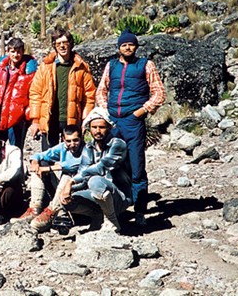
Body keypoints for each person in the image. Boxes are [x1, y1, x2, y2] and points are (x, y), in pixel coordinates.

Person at [96, 29, 166, 226]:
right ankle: (114, 208)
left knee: (137, 167)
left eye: (131, 44)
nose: (127, 47)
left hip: (133, 122)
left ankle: (140, 211)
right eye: (124, 45)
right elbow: (101, 90)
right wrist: (105, 112)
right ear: (119, 47)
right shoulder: (111, 66)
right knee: (110, 164)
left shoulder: (146, 65)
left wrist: (142, 111)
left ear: (136, 46)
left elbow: (159, 93)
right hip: (113, 122)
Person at [60, 107, 132, 233]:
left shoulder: (118, 145)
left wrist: (71, 182)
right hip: (96, 193)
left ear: (109, 127)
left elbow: (101, 167)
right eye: (94, 127)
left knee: (95, 181)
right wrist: (67, 192)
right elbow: (83, 172)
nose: (97, 131)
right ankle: (98, 217)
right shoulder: (88, 148)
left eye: (102, 127)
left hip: (119, 196)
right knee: (68, 200)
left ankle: (112, 220)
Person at [28, 28, 96, 150]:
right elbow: (35, 94)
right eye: (58, 43)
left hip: (72, 120)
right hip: (50, 120)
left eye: (65, 43)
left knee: (72, 160)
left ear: (71, 44)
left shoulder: (81, 68)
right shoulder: (46, 67)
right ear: (54, 45)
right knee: (47, 159)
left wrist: (86, 119)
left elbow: (89, 95)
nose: (62, 46)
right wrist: (35, 121)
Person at [19, 125, 85, 233]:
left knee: (67, 176)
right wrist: (35, 163)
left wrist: (47, 168)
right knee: (39, 165)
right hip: (63, 189)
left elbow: (71, 165)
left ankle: (53, 210)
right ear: (64, 140)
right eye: (69, 141)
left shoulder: (86, 150)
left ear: (81, 138)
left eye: (75, 140)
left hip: (77, 188)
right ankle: (35, 208)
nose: (72, 144)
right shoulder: (63, 147)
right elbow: (39, 155)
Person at [0, 37, 38, 152]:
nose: (16, 55)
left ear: (23, 51)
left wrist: (28, 115)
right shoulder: (0, 69)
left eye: (19, 51)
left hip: (17, 118)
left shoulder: (29, 71)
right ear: (8, 51)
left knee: (15, 150)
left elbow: (33, 95)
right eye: (13, 51)